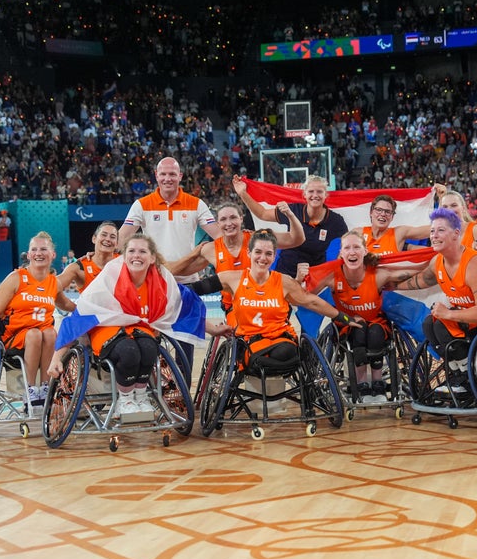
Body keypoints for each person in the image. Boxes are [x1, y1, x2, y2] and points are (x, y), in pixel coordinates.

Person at [49, 235, 193, 416]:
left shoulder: (160, 278)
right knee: (129, 351)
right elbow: (80, 316)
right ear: (124, 256)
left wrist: (213, 329)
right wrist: (56, 358)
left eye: (142, 251)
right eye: (131, 251)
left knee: (149, 348)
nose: (136, 256)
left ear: (152, 257)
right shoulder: (111, 274)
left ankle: (140, 397)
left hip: (138, 330)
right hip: (106, 330)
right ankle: (124, 401)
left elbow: (184, 308)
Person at [187, 229, 357, 372]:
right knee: (269, 356)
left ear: (274, 256)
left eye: (268, 253)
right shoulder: (231, 278)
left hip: (280, 339)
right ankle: (257, 362)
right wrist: (207, 326)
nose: (263, 258)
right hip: (248, 340)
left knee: (286, 352)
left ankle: (262, 362)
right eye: (258, 252)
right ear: (249, 253)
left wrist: (343, 317)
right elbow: (192, 291)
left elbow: (310, 301)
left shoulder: (284, 281)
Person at [118, 156, 221, 378]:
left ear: (180, 176)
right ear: (156, 176)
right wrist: (103, 251)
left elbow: (219, 236)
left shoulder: (196, 203)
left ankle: (181, 395)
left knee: (186, 341)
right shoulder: (142, 204)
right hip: (153, 282)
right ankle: (152, 387)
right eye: (163, 174)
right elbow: (122, 238)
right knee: (150, 338)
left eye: (172, 174)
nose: (167, 178)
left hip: (187, 283)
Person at [396, 208, 477, 396]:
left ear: (456, 234)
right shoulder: (437, 262)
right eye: (432, 231)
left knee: (443, 324)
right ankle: (458, 372)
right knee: (430, 322)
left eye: (441, 230)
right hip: (470, 316)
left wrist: (450, 313)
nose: (434, 236)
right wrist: (388, 286)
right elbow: (420, 281)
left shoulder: (475, 264)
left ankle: (468, 377)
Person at [304, 231, 422, 403]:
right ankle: (361, 384)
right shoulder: (331, 276)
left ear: (365, 251)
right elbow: (304, 294)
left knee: (375, 332)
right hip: (346, 322)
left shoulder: (378, 274)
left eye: (356, 247)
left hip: (376, 320)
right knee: (359, 333)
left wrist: (438, 260)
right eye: (347, 248)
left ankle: (377, 382)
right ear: (341, 253)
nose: (352, 252)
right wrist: (301, 277)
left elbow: (411, 270)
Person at [169, 195, 304, 326]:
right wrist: (193, 254)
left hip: (264, 302)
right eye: (223, 219)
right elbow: (176, 271)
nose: (229, 223)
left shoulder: (258, 238)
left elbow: (296, 239)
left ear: (241, 219)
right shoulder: (210, 250)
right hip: (234, 308)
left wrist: (290, 215)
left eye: (233, 217)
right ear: (218, 223)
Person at [0, 232, 75, 409]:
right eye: (34, 249)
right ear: (29, 254)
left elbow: (68, 305)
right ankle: (30, 390)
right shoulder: (16, 278)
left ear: (53, 254)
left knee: (49, 332)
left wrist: (91, 309)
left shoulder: (53, 283)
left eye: (43, 249)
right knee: (34, 334)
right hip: (13, 337)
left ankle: (46, 387)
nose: (39, 253)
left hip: (43, 338)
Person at [232, 174, 347, 276]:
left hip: (314, 278)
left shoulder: (335, 221)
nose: (315, 195)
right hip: (285, 272)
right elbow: (262, 213)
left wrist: (336, 269)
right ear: (305, 195)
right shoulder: (293, 210)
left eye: (319, 192)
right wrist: (243, 193)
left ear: (326, 195)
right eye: (311, 191)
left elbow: (348, 242)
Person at [352, 194, 430, 255]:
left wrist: (442, 200)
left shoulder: (398, 233)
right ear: (371, 212)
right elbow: (342, 259)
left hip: (390, 275)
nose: (383, 214)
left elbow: (433, 230)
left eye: (387, 212)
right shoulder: (358, 234)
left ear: (392, 217)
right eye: (379, 210)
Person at [58, 221, 119, 293]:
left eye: (112, 237)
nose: (108, 239)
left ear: (117, 244)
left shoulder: (124, 263)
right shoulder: (79, 268)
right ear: (94, 239)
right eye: (104, 235)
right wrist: (66, 304)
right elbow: (51, 286)